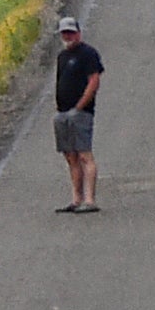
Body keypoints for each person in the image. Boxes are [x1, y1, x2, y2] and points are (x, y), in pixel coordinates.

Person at [52, 15, 104, 213]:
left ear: (78, 33)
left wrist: (80, 106)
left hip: (80, 113)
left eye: (71, 32)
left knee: (84, 155)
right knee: (70, 156)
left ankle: (90, 200)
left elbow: (94, 80)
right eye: (65, 33)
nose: (68, 36)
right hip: (63, 113)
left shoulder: (88, 53)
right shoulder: (62, 57)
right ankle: (76, 199)